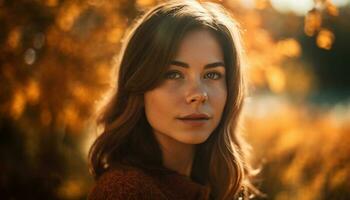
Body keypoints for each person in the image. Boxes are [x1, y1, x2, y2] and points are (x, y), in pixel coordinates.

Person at [88, 0, 261, 199]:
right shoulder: (124, 191)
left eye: (212, 75)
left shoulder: (220, 185)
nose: (198, 94)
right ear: (138, 86)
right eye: (173, 74)